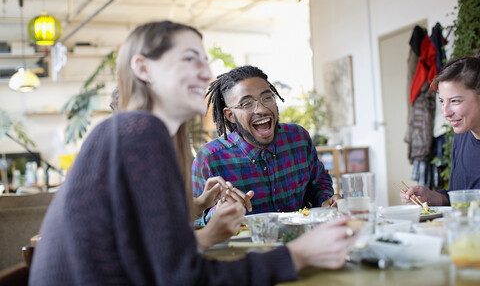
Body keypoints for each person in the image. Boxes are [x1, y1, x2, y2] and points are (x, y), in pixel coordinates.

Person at [30, 21, 358, 285]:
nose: (205, 73)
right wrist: (299, 255)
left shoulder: (130, 132)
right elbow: (185, 277)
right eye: (189, 58)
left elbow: (159, 257)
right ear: (143, 69)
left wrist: (197, 208)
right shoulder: (140, 132)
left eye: (204, 60)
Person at [192, 65, 340, 224]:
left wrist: (326, 201)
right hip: (243, 248)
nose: (261, 109)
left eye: (267, 98)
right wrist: (218, 213)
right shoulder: (210, 158)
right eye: (247, 103)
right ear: (230, 115)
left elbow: (318, 184)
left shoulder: (298, 139)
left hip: (301, 242)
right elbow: (194, 221)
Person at [110, 86, 250, 249]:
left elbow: (159, 217)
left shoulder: (148, 157)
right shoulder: (116, 167)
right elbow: (147, 250)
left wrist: (201, 203)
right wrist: (209, 234)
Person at [400, 55, 480, 206]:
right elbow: (462, 199)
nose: (446, 112)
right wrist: (433, 196)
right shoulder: (460, 137)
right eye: (442, 101)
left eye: (455, 101)